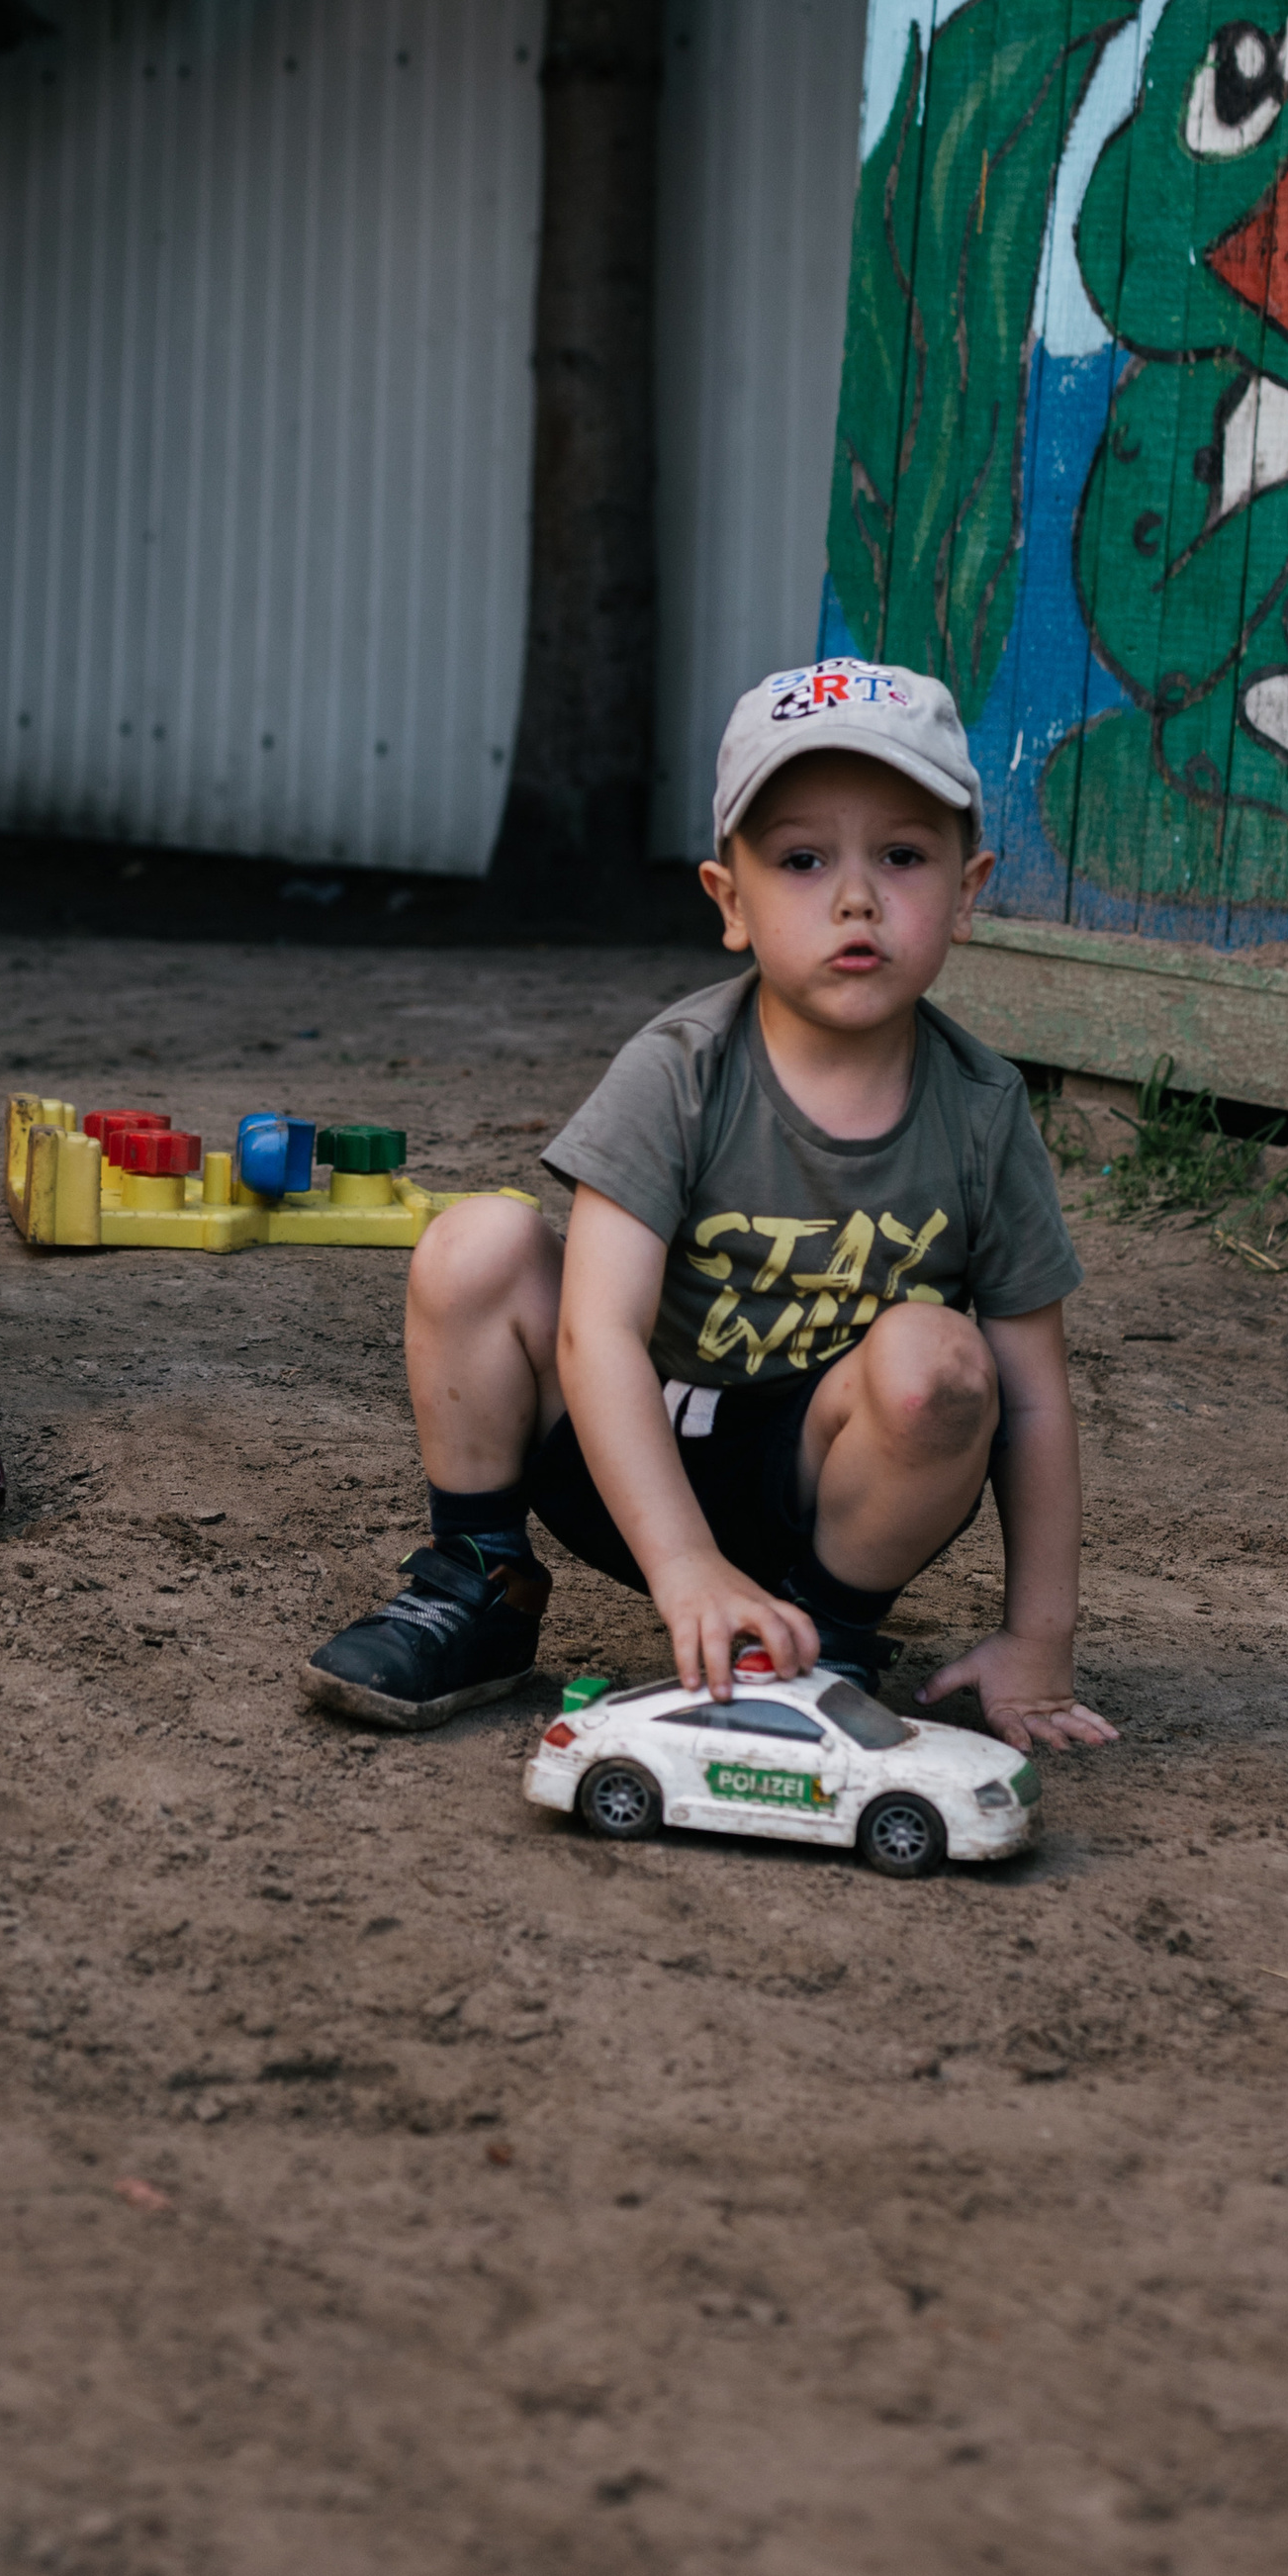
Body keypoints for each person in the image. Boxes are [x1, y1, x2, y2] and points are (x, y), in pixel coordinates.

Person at [306, 659, 1117, 1760]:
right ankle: (480, 1584)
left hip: (822, 1486)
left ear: (968, 890)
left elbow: (1030, 1404)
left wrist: (1041, 1638)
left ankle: (817, 1652)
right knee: (474, 1243)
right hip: (624, 1446)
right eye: (799, 859)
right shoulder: (679, 1071)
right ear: (727, 902)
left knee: (943, 1362)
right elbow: (595, 1335)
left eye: (901, 855)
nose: (854, 897)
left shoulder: (979, 1112)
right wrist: (681, 1564)